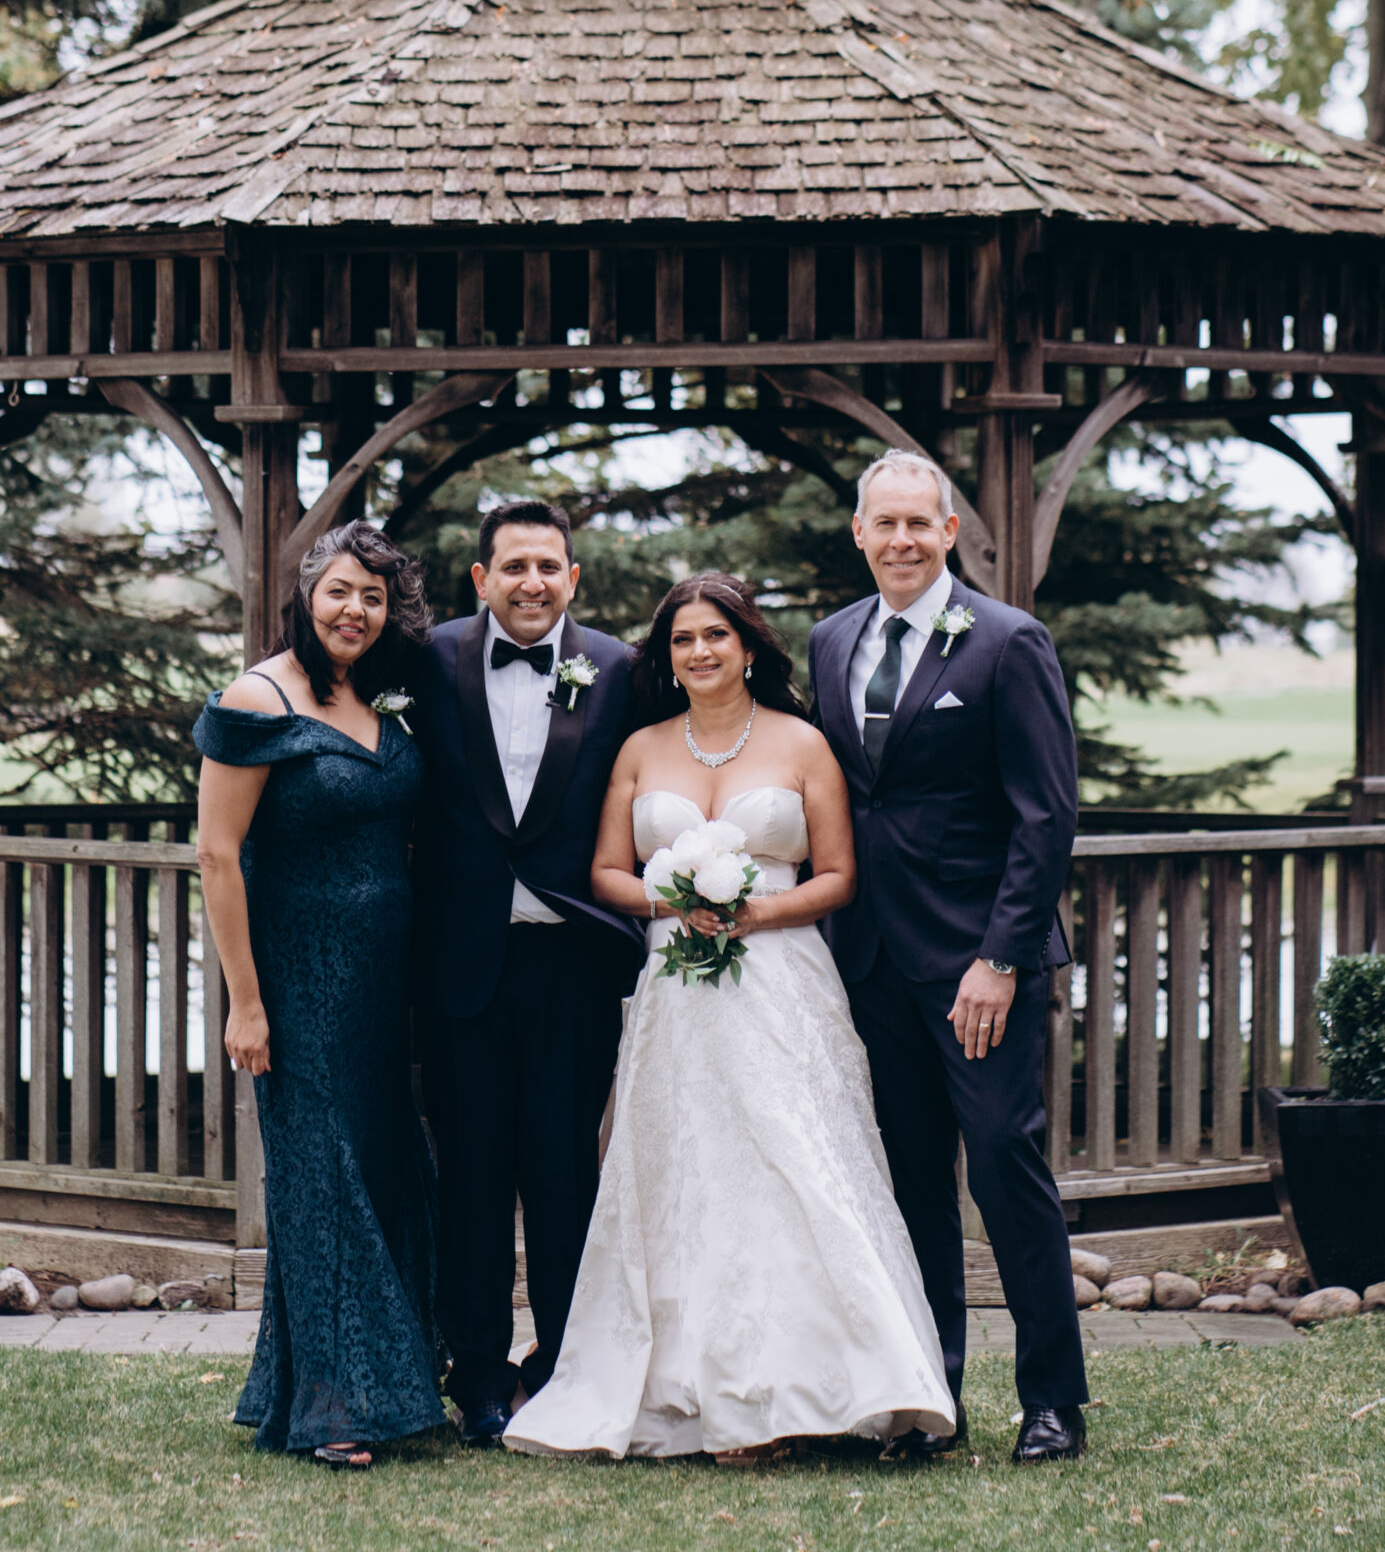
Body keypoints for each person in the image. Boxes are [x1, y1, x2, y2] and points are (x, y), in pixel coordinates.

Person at [505, 573, 955, 1463]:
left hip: (782, 983)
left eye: (716, 634)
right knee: (687, 1172)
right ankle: (692, 1387)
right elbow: (605, 873)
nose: (700, 651)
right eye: (683, 640)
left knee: (796, 1165)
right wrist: (672, 898)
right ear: (667, 658)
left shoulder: (802, 743)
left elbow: (838, 877)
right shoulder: (640, 750)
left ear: (749, 646)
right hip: (676, 991)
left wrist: (756, 912)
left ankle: (808, 1387)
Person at [810, 449, 1089, 1466]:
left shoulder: (1008, 642)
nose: (902, 540)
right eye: (884, 523)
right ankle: (932, 1398)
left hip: (980, 967)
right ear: (859, 532)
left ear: (948, 531)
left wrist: (1002, 958)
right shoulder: (831, 639)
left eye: (918, 523)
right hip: (873, 963)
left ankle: (1053, 1400)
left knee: (1006, 1169)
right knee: (912, 1182)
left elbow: (1045, 815)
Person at [193, 520, 442, 1470]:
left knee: (376, 1166)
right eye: (340, 590)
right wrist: (245, 1002)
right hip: (298, 979)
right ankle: (336, 1407)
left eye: (373, 597)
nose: (355, 610)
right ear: (305, 593)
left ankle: (343, 1385)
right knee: (319, 1178)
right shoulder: (256, 697)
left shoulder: (376, 696)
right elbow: (218, 855)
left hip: (384, 982)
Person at [410, 500, 639, 1447]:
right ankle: (477, 1378)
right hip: (457, 965)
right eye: (514, 567)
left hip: (571, 964)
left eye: (549, 567)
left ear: (572, 578)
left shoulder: (620, 669)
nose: (532, 583)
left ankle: (562, 1368)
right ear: (482, 579)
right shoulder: (427, 659)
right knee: (469, 1175)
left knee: (563, 1175)